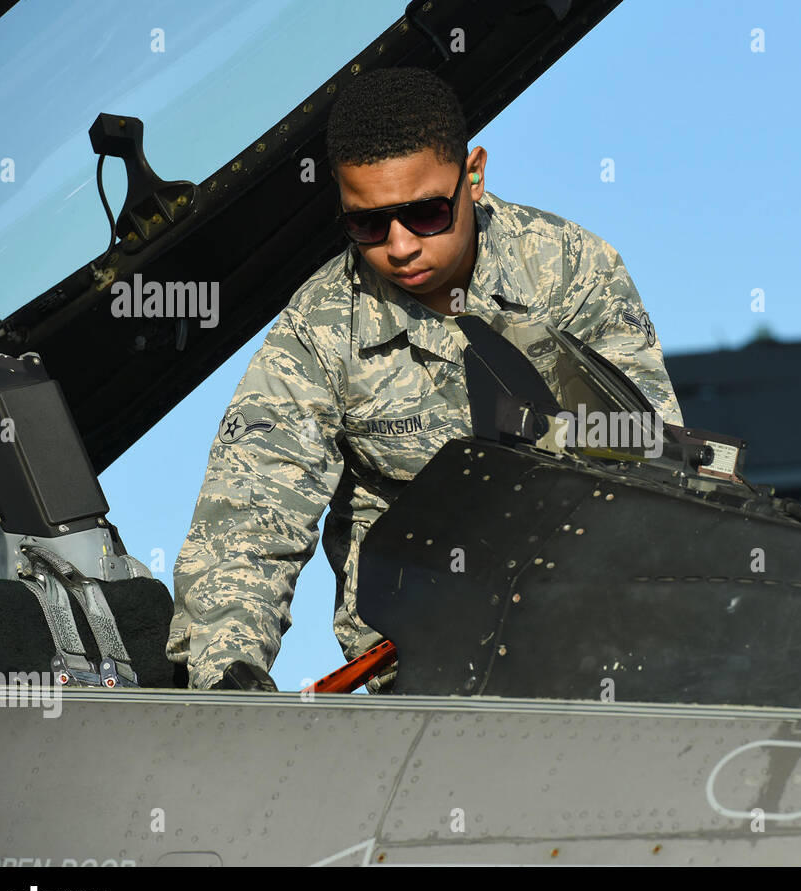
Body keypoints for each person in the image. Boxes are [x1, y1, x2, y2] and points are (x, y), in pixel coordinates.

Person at [166, 67, 683, 692]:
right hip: (421, 670)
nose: (400, 246)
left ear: (474, 174)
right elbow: (248, 517)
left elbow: (653, 472)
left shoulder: (571, 272)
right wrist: (227, 670)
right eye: (368, 224)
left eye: (426, 213)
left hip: (595, 644)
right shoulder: (319, 328)